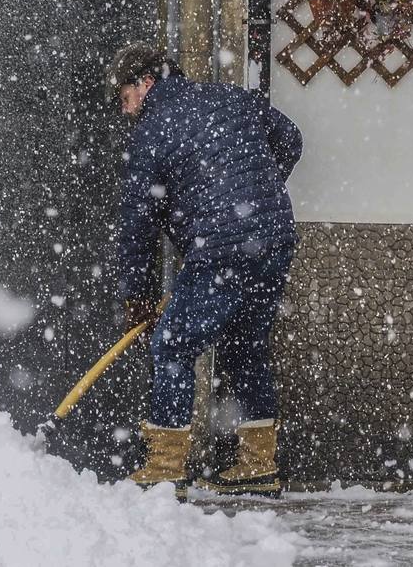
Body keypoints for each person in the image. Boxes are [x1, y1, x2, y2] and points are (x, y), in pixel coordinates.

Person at [109, 42, 302, 498]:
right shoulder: (230, 97)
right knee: (245, 347)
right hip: (273, 238)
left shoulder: (151, 130)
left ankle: (165, 466)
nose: (125, 110)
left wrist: (137, 295)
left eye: (124, 98)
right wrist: (259, 194)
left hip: (220, 248)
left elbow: (137, 225)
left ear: (146, 83)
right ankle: (258, 463)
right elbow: (291, 139)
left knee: (173, 346)